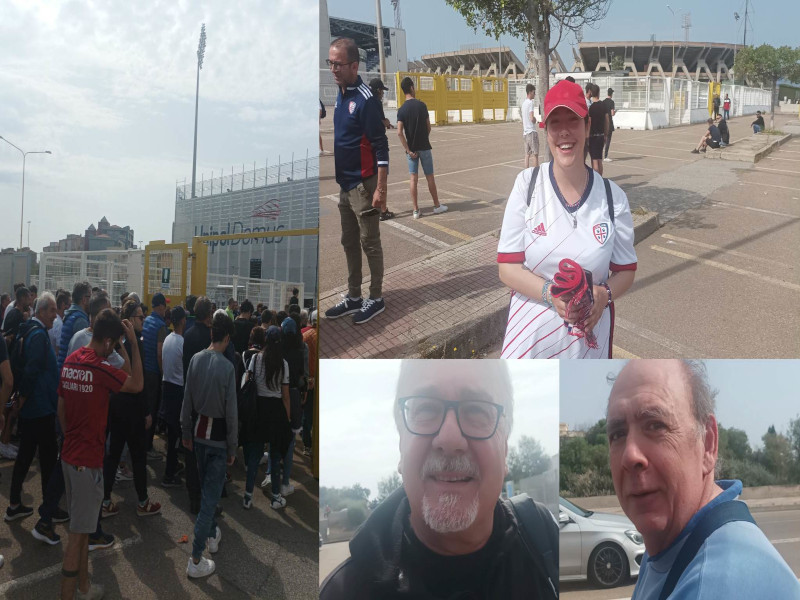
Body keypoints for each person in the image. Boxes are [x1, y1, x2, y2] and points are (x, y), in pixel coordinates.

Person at [320, 360, 558, 599]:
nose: (449, 438)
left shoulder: (547, 545)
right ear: (401, 444)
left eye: (476, 410)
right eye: (426, 409)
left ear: (505, 448)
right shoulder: (342, 593)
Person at [606, 360, 800, 599]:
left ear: (708, 443)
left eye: (656, 425)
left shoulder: (715, 585)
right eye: (617, 434)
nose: (630, 455)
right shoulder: (671, 542)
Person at [497, 79, 637, 359]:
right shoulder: (527, 185)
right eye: (554, 123)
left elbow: (626, 271)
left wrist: (603, 295)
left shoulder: (613, 197)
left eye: (573, 121)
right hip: (531, 340)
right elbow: (507, 268)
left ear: (587, 127)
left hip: (586, 343)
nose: (564, 132)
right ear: (545, 130)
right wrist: (550, 293)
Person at [58, 308, 143, 600]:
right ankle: (68, 594)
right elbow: (136, 383)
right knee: (76, 537)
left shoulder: (71, 360)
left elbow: (61, 407)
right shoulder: (99, 367)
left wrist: (73, 435)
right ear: (108, 341)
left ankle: (83, 587)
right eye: (114, 343)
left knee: (81, 531)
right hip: (86, 460)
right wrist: (131, 343)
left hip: (70, 455)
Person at [325, 37, 388, 325]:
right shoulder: (341, 93)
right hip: (345, 185)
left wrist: (381, 189)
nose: (333, 69)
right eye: (330, 63)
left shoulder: (366, 100)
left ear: (354, 65)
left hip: (364, 185)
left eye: (338, 64)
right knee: (349, 242)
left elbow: (381, 147)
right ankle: (353, 297)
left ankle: (375, 297)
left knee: (370, 243)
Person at [181, 310, 238, 578]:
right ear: (225, 337)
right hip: (217, 441)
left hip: (197, 434)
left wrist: (185, 432)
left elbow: (186, 400)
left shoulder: (195, 360)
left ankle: (212, 534)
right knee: (207, 502)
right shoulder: (227, 367)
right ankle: (195, 558)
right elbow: (232, 413)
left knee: (207, 494)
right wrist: (232, 446)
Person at [101, 299, 160, 519]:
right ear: (129, 319)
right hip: (132, 406)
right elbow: (139, 381)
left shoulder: (116, 342)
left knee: (114, 454)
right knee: (137, 456)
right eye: (140, 316)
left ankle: (106, 500)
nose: (143, 319)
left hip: (116, 405)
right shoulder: (135, 344)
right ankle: (142, 501)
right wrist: (146, 411)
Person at [5, 293, 59, 522]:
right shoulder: (37, 335)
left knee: (26, 456)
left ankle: (15, 504)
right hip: (39, 408)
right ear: (42, 311)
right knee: (47, 460)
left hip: (35, 407)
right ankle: (49, 510)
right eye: (52, 311)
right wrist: (23, 400)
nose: (55, 317)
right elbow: (31, 371)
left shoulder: (29, 331)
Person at [242, 325, 289, 510]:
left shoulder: (255, 358)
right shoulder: (283, 364)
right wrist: (288, 419)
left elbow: (248, 382)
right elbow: (285, 395)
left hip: (258, 410)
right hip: (276, 412)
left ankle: (247, 497)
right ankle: (276, 497)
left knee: (254, 455)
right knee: (275, 458)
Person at [397, 76, 448, 221]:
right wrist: (424, 138)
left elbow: (399, 132)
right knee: (429, 176)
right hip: (424, 147)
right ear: (412, 88)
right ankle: (437, 205)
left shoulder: (401, 110)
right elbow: (428, 127)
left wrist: (407, 149)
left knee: (413, 178)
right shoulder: (422, 105)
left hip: (411, 149)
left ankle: (415, 210)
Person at [160, 305, 186, 487]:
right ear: (183, 320)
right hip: (177, 390)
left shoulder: (168, 338)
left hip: (167, 387)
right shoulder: (181, 342)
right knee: (176, 434)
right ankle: (169, 475)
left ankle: (173, 465)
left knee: (172, 432)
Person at [142, 292, 169, 456]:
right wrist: (162, 372)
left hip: (143, 371)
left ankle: (140, 442)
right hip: (153, 373)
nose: (165, 309)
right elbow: (160, 353)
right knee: (152, 409)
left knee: (143, 408)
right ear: (160, 306)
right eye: (164, 305)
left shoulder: (146, 321)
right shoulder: (161, 326)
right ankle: (147, 446)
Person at [369, 77, 396, 221]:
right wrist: (386, 123)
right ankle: (382, 210)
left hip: (370, 145)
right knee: (382, 179)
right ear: (378, 90)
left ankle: (375, 207)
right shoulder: (376, 102)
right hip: (380, 146)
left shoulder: (366, 101)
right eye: (382, 91)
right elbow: (381, 120)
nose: (383, 94)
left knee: (373, 179)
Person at [57, 281, 91, 372]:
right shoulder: (80, 321)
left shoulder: (70, 315)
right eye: (90, 297)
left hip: (64, 368)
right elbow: (83, 354)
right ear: (84, 299)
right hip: (71, 371)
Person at [587, 83, 609, 175]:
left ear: (591, 93)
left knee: (594, 161)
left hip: (593, 136)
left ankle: (597, 181)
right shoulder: (604, 105)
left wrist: (587, 136)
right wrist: (605, 134)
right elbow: (607, 121)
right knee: (599, 160)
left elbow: (589, 123)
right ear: (599, 92)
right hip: (601, 136)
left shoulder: (591, 108)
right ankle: (601, 179)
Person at [49, 289, 71, 361]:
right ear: (63, 305)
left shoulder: (53, 320)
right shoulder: (59, 324)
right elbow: (58, 350)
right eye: (69, 305)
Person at [521, 83, 539, 169]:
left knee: (527, 155)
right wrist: (535, 120)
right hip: (531, 131)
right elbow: (531, 118)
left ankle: (526, 172)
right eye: (534, 92)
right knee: (535, 154)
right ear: (530, 92)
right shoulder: (530, 103)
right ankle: (536, 173)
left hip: (525, 132)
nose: (534, 94)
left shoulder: (524, 103)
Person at [602, 88, 616, 161]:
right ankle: (606, 156)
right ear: (611, 94)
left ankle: (600, 154)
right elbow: (612, 113)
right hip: (609, 123)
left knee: (603, 140)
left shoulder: (603, 102)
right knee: (608, 140)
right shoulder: (611, 102)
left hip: (603, 122)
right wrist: (615, 111)